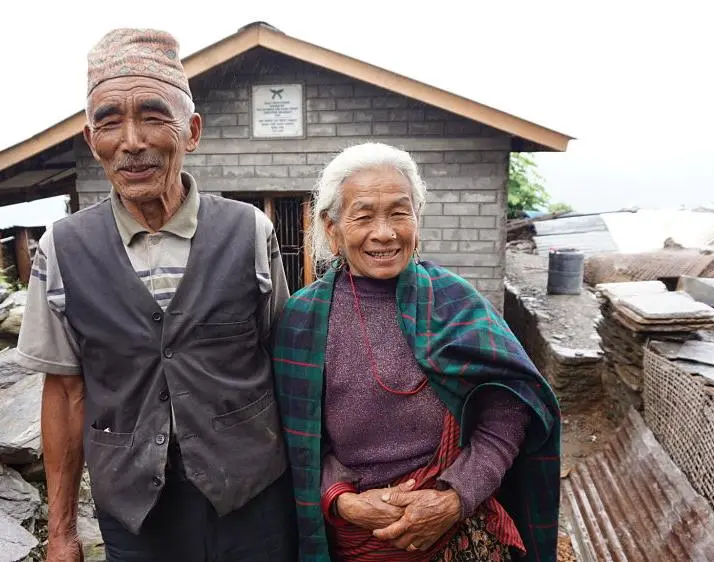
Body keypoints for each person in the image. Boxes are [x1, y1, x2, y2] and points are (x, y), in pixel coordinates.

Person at [15, 28, 297, 562]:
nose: (132, 141)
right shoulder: (62, 250)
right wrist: (62, 532)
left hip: (253, 500)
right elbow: (65, 393)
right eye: (110, 122)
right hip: (135, 513)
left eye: (151, 115)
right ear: (89, 138)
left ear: (191, 131)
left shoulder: (249, 233)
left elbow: (281, 363)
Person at [271, 142, 561, 562]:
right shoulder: (301, 319)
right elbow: (295, 438)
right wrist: (340, 499)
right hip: (355, 540)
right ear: (332, 230)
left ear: (417, 220)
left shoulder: (454, 301)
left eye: (399, 212)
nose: (384, 232)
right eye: (364, 216)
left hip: (457, 533)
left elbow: (510, 409)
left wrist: (456, 495)